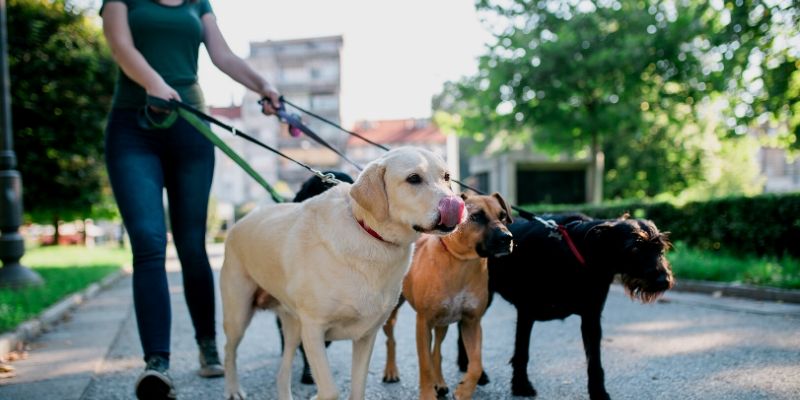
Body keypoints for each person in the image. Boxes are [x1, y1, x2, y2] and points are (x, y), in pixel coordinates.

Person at [99, 1, 280, 398]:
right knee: (148, 241)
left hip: (191, 126)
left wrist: (263, 86)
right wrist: (153, 82)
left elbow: (222, 55)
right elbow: (120, 45)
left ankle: (207, 346)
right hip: (134, 126)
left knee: (192, 246)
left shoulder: (198, 3)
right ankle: (156, 364)